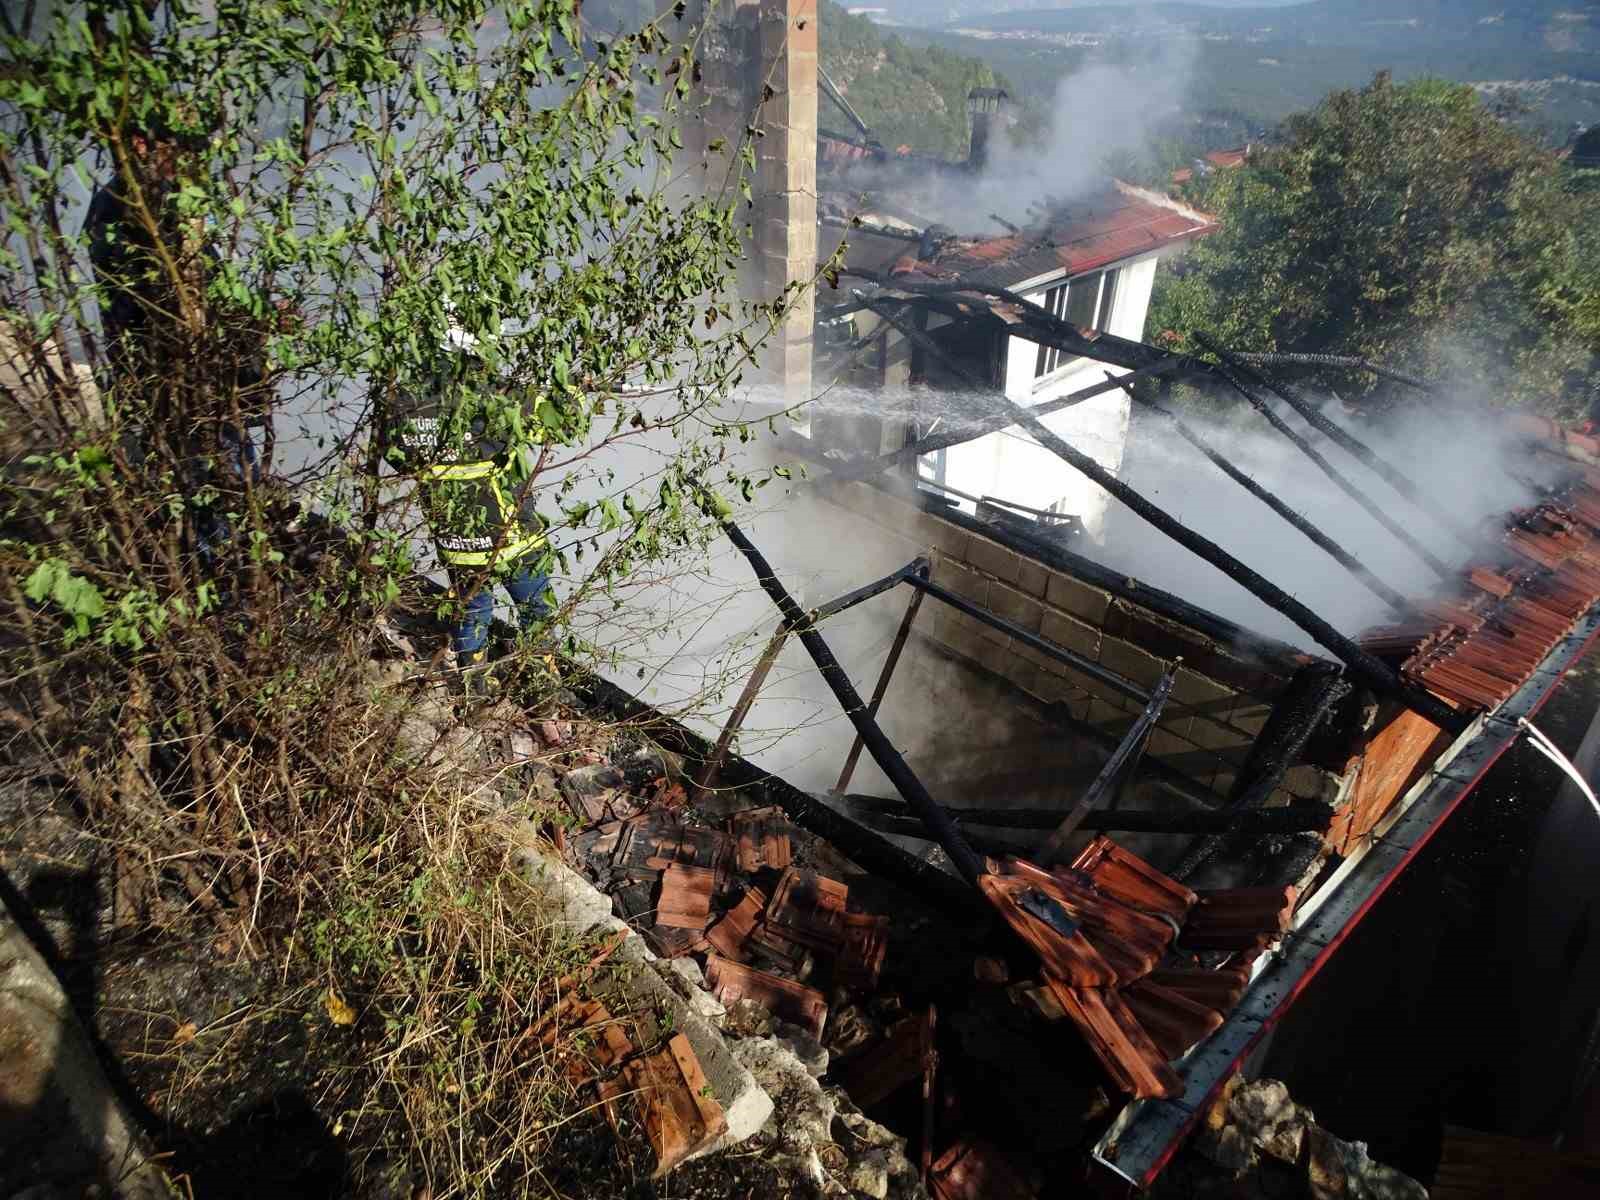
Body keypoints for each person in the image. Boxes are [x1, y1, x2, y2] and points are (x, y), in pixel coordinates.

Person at [388, 316, 552, 690]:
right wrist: (568, 392)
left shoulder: (404, 398)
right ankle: (540, 689)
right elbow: (552, 422)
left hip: (455, 539)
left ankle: (472, 690)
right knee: (536, 608)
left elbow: (397, 457)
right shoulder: (495, 393)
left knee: (471, 608)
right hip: (511, 535)